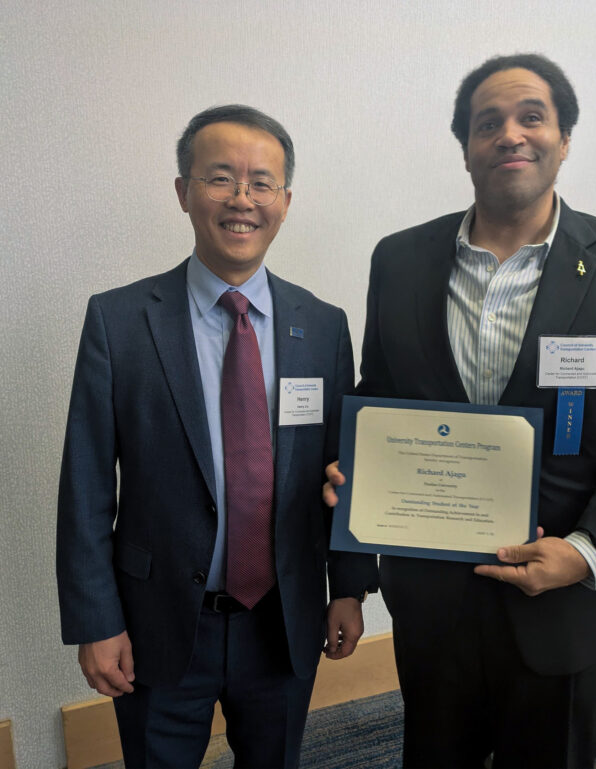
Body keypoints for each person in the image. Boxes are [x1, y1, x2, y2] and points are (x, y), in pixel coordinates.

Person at [324, 54, 596, 768]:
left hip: (568, 608)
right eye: (487, 123)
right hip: (433, 606)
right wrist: (356, 480)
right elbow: (375, 401)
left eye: (531, 116)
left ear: (564, 138)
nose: (510, 134)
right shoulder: (400, 260)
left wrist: (588, 551)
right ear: (466, 148)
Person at [57, 104, 378, 769]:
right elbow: (85, 485)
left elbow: (342, 467)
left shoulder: (322, 325)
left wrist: (347, 585)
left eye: (262, 182)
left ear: (286, 201)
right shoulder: (119, 322)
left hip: (283, 619)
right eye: (220, 178)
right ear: (183, 191)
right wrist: (96, 620)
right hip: (158, 623)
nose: (242, 199)